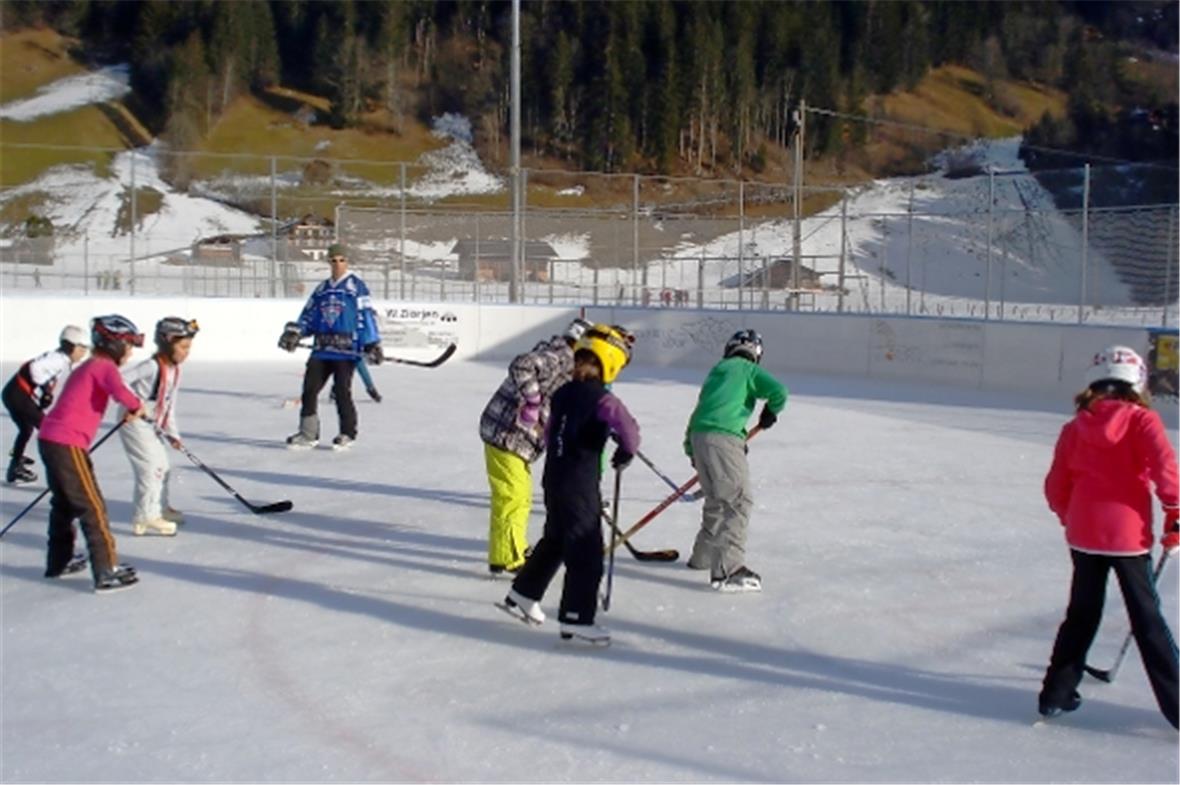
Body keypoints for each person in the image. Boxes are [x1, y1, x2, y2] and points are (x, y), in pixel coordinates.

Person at [1038, 345, 1178, 727]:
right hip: (1127, 537)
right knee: (1147, 618)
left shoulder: (1075, 426)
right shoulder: (1142, 421)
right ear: (1137, 382)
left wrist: (1072, 516)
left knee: (1081, 613)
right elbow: (1165, 467)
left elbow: (1055, 485)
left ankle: (1055, 693)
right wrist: (1175, 512)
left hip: (1083, 532)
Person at [499, 324, 641, 645]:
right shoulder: (604, 399)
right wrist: (625, 450)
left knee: (556, 539)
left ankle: (523, 592)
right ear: (611, 363)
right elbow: (630, 431)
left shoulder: (562, 393)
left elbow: (550, 432)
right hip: (580, 483)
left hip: (554, 477)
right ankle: (577, 617)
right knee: (586, 548)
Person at [38, 315, 146, 592]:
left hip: (52, 439)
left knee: (64, 505)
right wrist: (137, 406)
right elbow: (120, 391)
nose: (131, 352)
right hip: (67, 443)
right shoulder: (103, 366)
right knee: (92, 506)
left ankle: (59, 561)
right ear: (114, 344)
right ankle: (106, 568)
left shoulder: (90, 365)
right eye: (129, 345)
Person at [479, 317, 591, 576]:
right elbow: (522, 365)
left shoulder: (568, 365)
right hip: (506, 433)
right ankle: (512, 557)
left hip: (511, 436)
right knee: (513, 497)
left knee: (514, 496)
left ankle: (503, 554)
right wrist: (532, 402)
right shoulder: (560, 356)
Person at [683, 328, 787, 592]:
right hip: (723, 439)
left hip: (699, 438)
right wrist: (769, 414)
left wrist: (692, 451)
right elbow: (779, 392)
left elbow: (700, 412)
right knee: (737, 501)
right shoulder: (747, 369)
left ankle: (702, 558)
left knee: (717, 500)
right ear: (756, 353)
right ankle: (729, 570)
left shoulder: (717, 371)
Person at [278, 243, 382, 450]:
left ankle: (347, 433)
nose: (337, 264)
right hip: (322, 349)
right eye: (333, 260)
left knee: (342, 392)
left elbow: (366, 315)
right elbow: (309, 316)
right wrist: (296, 332)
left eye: (341, 260)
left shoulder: (356, 287)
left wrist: (371, 342)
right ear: (328, 262)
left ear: (347, 262)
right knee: (309, 390)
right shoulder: (322, 289)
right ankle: (308, 434)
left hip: (346, 351)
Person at [118, 317, 199, 537]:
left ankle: (160, 508)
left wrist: (173, 434)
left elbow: (168, 404)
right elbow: (117, 381)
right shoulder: (151, 366)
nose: (186, 352)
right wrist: (133, 403)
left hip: (152, 424)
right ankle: (145, 516)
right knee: (151, 469)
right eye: (182, 347)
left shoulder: (173, 370)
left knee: (163, 465)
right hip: (134, 422)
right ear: (166, 343)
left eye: (188, 348)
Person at [3, 325, 90, 484]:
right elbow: (35, 368)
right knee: (48, 429)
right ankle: (59, 470)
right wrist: (46, 391)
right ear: (70, 346)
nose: (84, 351)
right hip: (17, 395)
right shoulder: (57, 359)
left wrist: (44, 392)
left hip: (13, 393)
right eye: (82, 347)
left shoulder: (61, 358)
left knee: (26, 429)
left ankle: (15, 464)